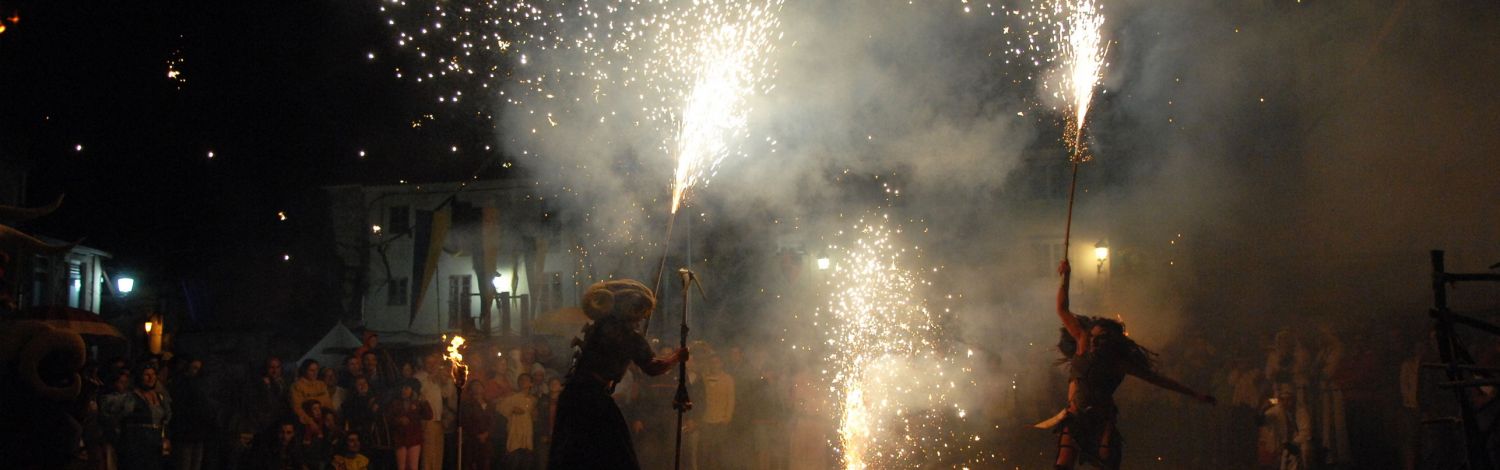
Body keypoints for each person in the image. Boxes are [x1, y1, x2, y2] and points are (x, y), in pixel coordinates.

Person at [1041, 260, 1214, 470]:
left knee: (1107, 463)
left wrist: (1194, 394)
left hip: (1102, 418)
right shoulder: (1082, 341)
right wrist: (1066, 276)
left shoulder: (1119, 363)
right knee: (1063, 465)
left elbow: (1158, 380)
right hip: (1076, 416)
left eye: (1102, 338)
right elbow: (1062, 309)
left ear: (1112, 342)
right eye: (1094, 336)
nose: (1095, 341)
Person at [548, 279, 689, 470]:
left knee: (572, 457)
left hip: (573, 397)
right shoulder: (627, 335)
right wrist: (677, 357)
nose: (641, 320)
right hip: (592, 401)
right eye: (640, 315)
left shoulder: (600, 325)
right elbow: (653, 367)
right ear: (631, 310)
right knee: (618, 457)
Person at [103, 365, 172, 470]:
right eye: (146, 375)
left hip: (155, 447)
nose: (151, 377)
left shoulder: (160, 397)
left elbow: (164, 421)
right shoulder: (130, 398)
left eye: (153, 374)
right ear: (140, 376)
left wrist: (165, 438)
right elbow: (111, 413)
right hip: (136, 447)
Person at [387, 379, 433, 470]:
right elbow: (389, 418)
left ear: (412, 390)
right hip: (400, 438)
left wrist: (424, 402)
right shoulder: (395, 403)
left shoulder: (417, 403)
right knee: (401, 467)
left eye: (407, 388)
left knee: (413, 466)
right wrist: (399, 420)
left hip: (414, 437)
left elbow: (429, 416)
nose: (404, 391)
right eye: (403, 388)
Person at [500, 373, 538, 470]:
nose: (523, 382)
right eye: (521, 380)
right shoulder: (512, 397)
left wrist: (535, 415)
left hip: (528, 437)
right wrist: (512, 409)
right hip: (515, 436)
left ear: (531, 384)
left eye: (525, 380)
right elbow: (500, 407)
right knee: (514, 464)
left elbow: (536, 417)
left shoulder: (534, 400)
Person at [291, 360, 334, 432]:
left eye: (316, 370)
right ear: (304, 371)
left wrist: (331, 417)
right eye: (311, 370)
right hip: (306, 425)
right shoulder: (297, 386)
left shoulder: (321, 385)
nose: (315, 373)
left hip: (323, 422)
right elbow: (297, 408)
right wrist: (310, 422)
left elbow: (328, 403)